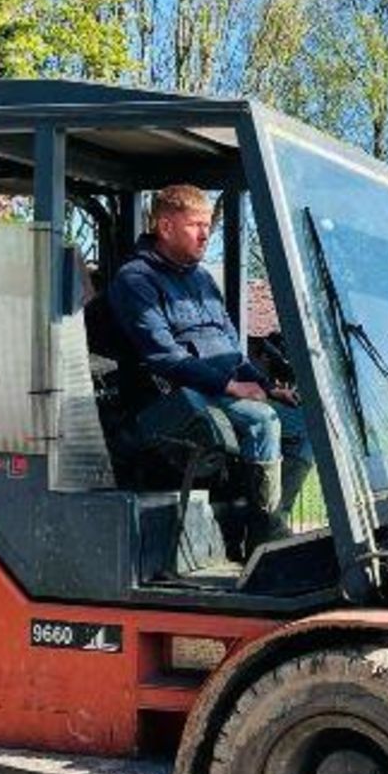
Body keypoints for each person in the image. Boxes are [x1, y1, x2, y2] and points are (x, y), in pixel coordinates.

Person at [107, 184, 312, 549]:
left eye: (207, 226)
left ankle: (272, 518)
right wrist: (231, 387)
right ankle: (264, 539)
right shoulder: (136, 279)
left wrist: (266, 386)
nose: (205, 235)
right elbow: (163, 356)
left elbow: (232, 349)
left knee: (306, 423)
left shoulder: (201, 279)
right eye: (195, 225)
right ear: (166, 227)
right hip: (170, 399)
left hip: (216, 391)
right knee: (262, 420)